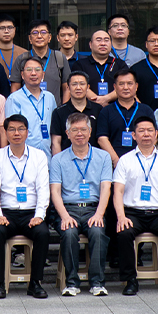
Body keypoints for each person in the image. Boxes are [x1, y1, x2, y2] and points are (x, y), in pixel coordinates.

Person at [110, 119, 158, 295]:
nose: (146, 134)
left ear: (156, 134)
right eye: (141, 131)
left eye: (150, 130)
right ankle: (130, 280)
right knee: (124, 232)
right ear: (134, 135)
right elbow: (118, 191)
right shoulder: (125, 160)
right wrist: (121, 216)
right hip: (132, 212)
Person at [0, 114, 51, 299]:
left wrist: (39, 215)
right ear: (6, 133)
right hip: (6, 213)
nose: (16, 133)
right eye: (12, 129)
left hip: (31, 213)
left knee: (43, 233)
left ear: (27, 132)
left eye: (21, 129)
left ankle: (35, 283)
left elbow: (43, 188)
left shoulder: (38, 156)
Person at [50, 112, 114, 296]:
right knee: (69, 233)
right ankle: (72, 283)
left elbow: (106, 188)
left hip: (94, 208)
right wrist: (64, 216)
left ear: (90, 132)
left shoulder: (103, 157)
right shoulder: (58, 159)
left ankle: (97, 282)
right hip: (68, 208)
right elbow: (55, 192)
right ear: (67, 133)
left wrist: (99, 214)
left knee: (98, 232)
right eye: (74, 130)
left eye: (83, 129)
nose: (79, 133)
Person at [7, 57, 58, 151]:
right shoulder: (14, 99)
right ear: (22, 75)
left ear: (43, 74)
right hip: (24, 154)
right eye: (29, 70)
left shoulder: (50, 97)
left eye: (37, 70)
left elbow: (55, 128)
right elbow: (12, 130)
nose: (33, 73)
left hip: (47, 154)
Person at [47, 73, 99, 154]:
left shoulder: (98, 109)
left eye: (82, 84)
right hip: (67, 159)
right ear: (68, 88)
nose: (78, 87)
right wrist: (58, 160)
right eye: (74, 84)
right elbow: (56, 142)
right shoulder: (59, 112)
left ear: (88, 87)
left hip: (94, 158)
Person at [73, 30, 122, 103]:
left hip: (115, 107)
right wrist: (98, 102)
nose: (103, 43)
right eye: (98, 40)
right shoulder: (80, 64)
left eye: (106, 40)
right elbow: (79, 85)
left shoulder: (120, 64)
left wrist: (106, 99)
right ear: (90, 44)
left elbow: (124, 86)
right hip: (88, 106)